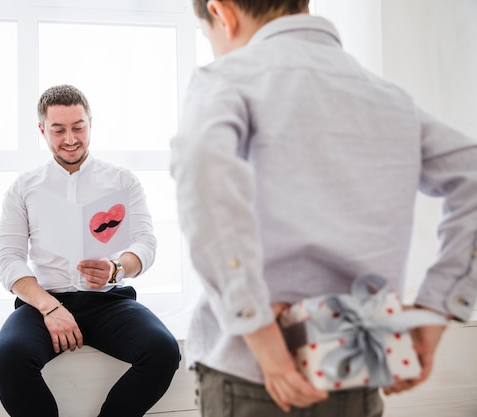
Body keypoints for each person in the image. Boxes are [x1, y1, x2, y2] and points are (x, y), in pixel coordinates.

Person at [170, 1, 477, 416]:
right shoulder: (389, 98)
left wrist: (261, 336)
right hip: (357, 368)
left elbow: (205, 180)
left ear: (223, 14)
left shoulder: (228, 78)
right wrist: (436, 308)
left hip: (256, 377)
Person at [0, 84, 180, 417]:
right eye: (58, 129)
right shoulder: (24, 187)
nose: (70, 138)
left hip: (109, 301)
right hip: (44, 303)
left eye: (78, 127)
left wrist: (116, 268)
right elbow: (8, 259)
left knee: (163, 351)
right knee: (8, 359)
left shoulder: (123, 181)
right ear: (42, 130)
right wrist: (50, 308)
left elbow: (145, 243)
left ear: (90, 123)